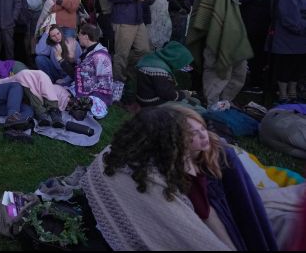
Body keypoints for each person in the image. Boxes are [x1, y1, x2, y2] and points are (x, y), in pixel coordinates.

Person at [81, 106, 276, 251]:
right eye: (189, 135)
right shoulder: (153, 175)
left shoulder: (111, 154)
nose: (202, 135)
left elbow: (238, 207)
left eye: (203, 129)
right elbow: (187, 226)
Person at [168, 105, 278, 250]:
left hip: (233, 217)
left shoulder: (223, 155)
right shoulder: (174, 165)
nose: (203, 135)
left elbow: (246, 202)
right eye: (193, 133)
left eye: (203, 128)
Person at [186, 0, 252, 109]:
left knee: (238, 71)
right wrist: (211, 36)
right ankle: (212, 105)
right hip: (216, 36)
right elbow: (202, 17)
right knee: (217, 72)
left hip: (233, 37)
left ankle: (225, 102)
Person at [107, 0, 154, 83]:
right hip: (123, 20)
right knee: (121, 54)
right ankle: (119, 83)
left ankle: (128, 73)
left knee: (144, 50)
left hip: (138, 20)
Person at [268, 0, 306, 103]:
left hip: (295, 38)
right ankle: (284, 94)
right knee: (286, 66)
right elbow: (290, 18)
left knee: (295, 66)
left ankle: (291, 93)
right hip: (290, 37)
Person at [240, 0, 279, 93]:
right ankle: (265, 83)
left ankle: (255, 83)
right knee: (265, 56)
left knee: (253, 56)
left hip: (253, 24)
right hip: (271, 26)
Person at [74, 24, 115, 118]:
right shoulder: (88, 51)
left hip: (97, 93)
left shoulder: (100, 57)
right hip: (84, 89)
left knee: (91, 105)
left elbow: (105, 83)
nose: (78, 37)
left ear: (86, 37)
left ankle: (88, 104)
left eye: (79, 34)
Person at [135, 41, 195, 107]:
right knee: (195, 108)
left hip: (145, 97)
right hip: (153, 102)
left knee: (194, 102)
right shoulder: (160, 71)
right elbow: (166, 94)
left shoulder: (151, 58)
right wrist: (184, 94)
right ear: (176, 59)